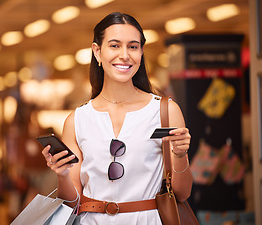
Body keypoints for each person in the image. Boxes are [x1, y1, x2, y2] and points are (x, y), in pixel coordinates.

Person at [42, 12, 193, 224]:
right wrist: (63, 175)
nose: (124, 55)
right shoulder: (77, 120)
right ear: (97, 51)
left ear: (141, 52)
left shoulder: (165, 111)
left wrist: (180, 154)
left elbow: (182, 193)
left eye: (132, 46)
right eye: (114, 46)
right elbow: (71, 202)